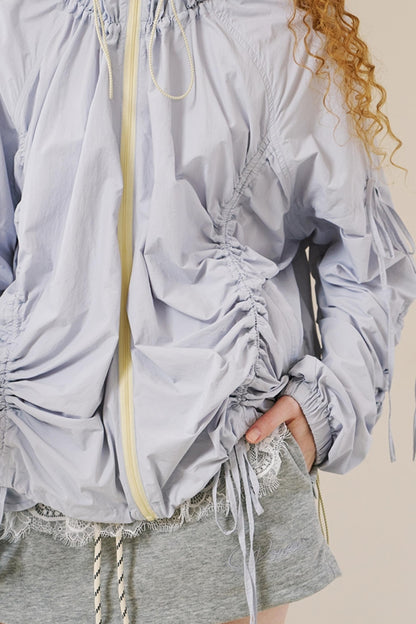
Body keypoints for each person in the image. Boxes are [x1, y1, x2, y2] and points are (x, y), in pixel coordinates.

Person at [0, 0, 415, 623]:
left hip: (230, 498)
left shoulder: (271, 31)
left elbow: (367, 257)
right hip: (31, 492)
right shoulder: (17, 21)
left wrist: (325, 406)